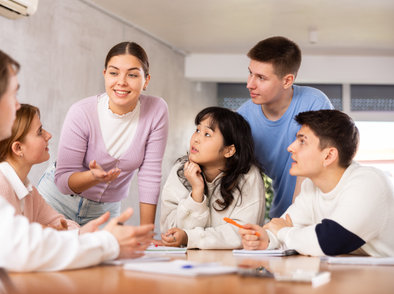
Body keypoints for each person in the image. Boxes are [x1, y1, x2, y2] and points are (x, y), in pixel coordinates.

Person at [0, 43, 153, 294]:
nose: (18, 106)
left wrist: (86, 239)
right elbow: (15, 246)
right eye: (13, 95)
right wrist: (106, 243)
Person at [37, 41, 169, 226]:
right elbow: (63, 180)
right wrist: (92, 178)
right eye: (114, 73)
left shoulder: (156, 110)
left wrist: (147, 231)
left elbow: (150, 174)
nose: (121, 82)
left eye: (132, 74)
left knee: (110, 255)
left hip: (105, 212)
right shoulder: (82, 112)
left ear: (146, 80)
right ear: (105, 75)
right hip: (57, 201)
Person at [239, 110, 394, 257]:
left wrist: (284, 233)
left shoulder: (368, 183)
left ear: (329, 156)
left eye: (302, 141)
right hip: (353, 275)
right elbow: (280, 227)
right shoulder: (311, 187)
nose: (290, 147)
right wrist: (264, 239)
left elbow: (329, 241)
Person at [236, 36, 333, 218]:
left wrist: (294, 221)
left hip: (319, 214)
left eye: (261, 78)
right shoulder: (243, 118)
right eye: (250, 73)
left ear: (287, 81)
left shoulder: (314, 102)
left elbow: (310, 164)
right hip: (281, 215)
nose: (250, 84)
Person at [0, 103, 105, 233]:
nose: (48, 135)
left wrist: (68, 232)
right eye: (40, 132)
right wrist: (46, 233)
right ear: (18, 148)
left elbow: (62, 223)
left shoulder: (29, 192)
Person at [159, 107, 265, 249]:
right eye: (197, 130)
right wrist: (196, 193)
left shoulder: (248, 176)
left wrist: (191, 237)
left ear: (229, 150)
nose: (196, 138)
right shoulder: (181, 170)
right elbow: (171, 230)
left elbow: (243, 233)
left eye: (207, 134)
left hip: (232, 264)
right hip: (185, 264)